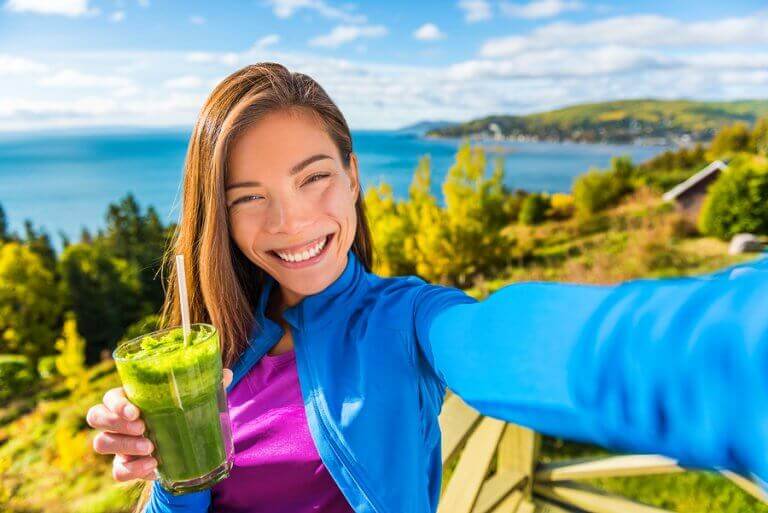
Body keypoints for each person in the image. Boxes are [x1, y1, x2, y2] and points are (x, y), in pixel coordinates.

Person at [85, 62, 768, 513]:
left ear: (353, 176)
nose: (291, 220)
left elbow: (519, 341)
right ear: (220, 216)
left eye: (314, 176)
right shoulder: (213, 353)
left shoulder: (407, 319)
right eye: (248, 196)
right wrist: (171, 473)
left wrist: (733, 350)